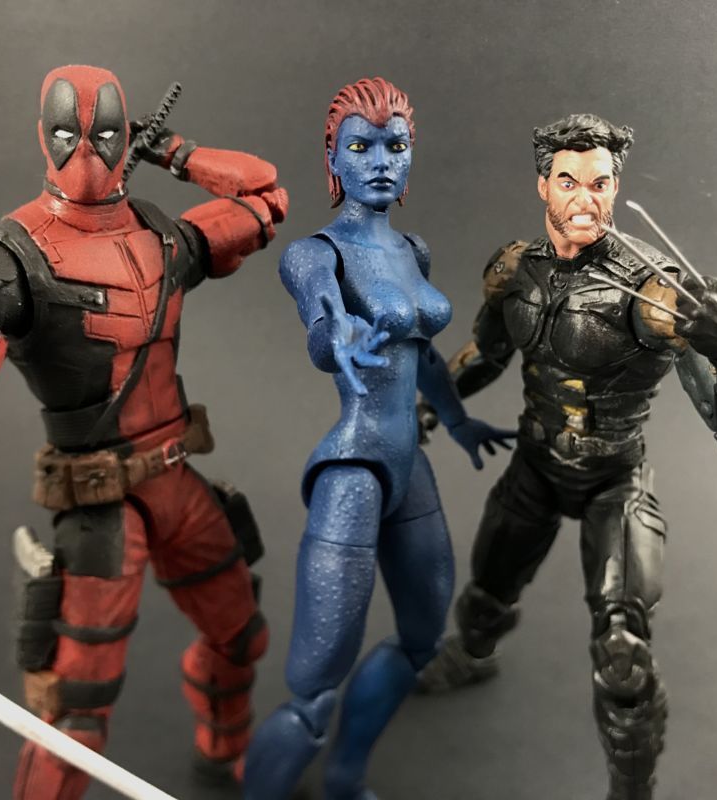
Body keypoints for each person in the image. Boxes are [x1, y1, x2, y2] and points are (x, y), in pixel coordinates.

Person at [0, 64, 288, 798]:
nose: (87, 152)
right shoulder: (5, 263)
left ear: (127, 134)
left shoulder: (165, 237)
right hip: (99, 510)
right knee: (73, 712)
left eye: (107, 134)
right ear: (42, 137)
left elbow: (263, 198)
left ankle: (224, 761)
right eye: (67, 134)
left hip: (178, 483)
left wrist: (173, 151)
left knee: (242, 637)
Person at [416, 113, 717, 800]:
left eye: (600, 183)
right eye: (568, 181)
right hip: (535, 465)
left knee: (622, 654)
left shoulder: (657, 296)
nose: (584, 198)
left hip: (615, 479)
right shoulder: (514, 270)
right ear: (542, 186)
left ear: (616, 188)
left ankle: (631, 789)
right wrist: (431, 402)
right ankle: (473, 654)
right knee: (487, 590)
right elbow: (486, 354)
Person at [242, 77, 512, 800]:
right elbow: (323, 324)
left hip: (409, 466)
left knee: (422, 637)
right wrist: (339, 340)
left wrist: (457, 420)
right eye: (360, 147)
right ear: (332, 158)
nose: (382, 161)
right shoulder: (315, 254)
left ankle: (345, 779)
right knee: (314, 684)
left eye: (396, 145)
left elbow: (423, 354)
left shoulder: (412, 250)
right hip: (355, 468)